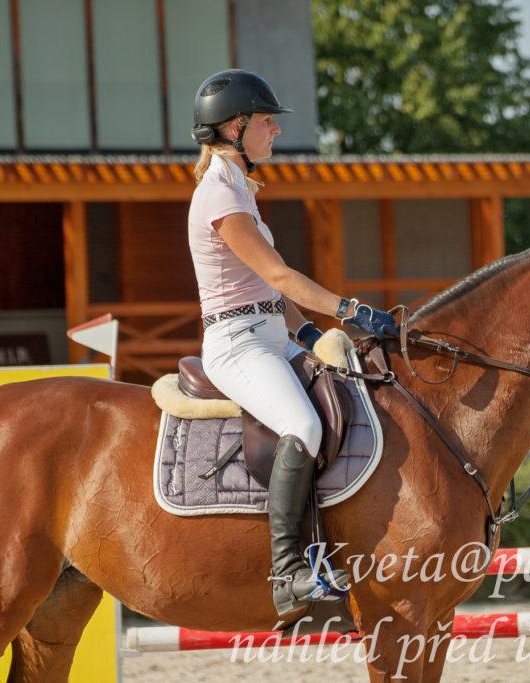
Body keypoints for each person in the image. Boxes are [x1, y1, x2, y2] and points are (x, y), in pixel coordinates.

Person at [187, 69, 397, 618]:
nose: (275, 131)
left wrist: (309, 333)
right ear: (234, 128)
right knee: (302, 425)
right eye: (267, 122)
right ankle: (288, 572)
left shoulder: (240, 189)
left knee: (353, 391)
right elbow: (279, 276)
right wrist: (353, 310)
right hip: (237, 345)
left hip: (271, 336)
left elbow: (270, 292)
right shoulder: (218, 195)